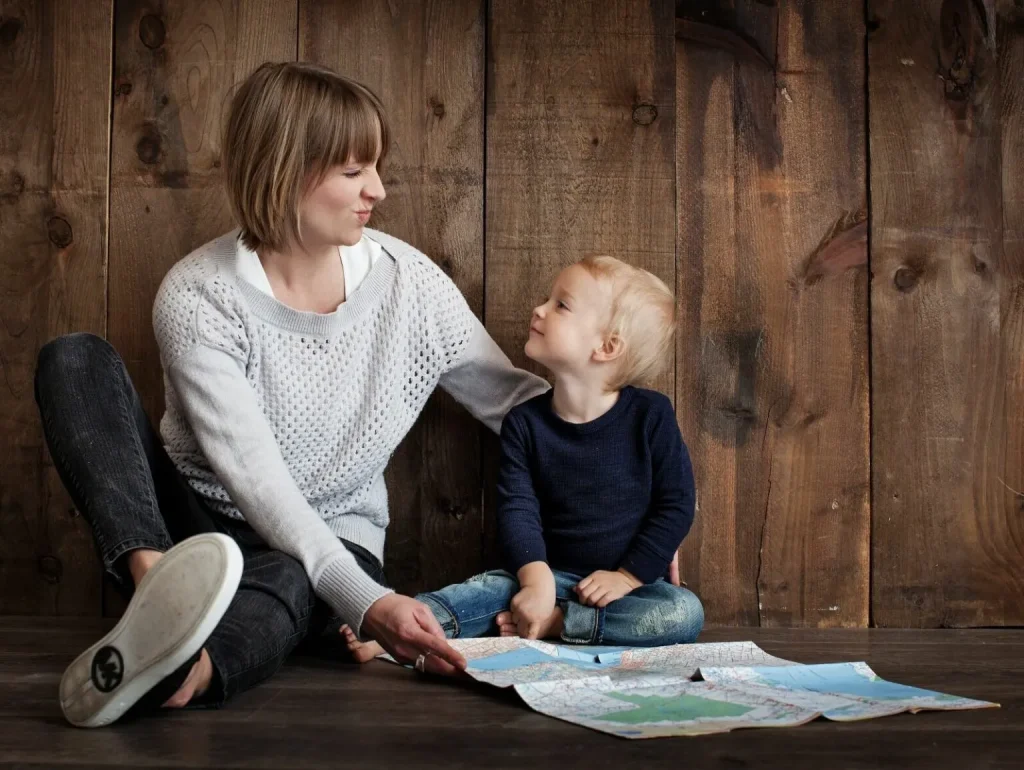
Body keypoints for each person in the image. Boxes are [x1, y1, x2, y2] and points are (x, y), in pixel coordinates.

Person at [33, 61, 549, 728]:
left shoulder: (410, 286)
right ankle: (158, 591)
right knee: (74, 359)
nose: (379, 190)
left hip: (330, 539)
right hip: (193, 528)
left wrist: (632, 481)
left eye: (375, 167)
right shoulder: (198, 296)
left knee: (290, 575)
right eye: (354, 171)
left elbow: (515, 404)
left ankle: (186, 669)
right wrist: (369, 606)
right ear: (287, 168)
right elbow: (257, 481)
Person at [344, 255, 702, 662]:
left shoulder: (650, 416)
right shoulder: (525, 424)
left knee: (683, 613)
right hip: (548, 574)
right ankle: (397, 630)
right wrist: (535, 581)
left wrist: (628, 576)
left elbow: (675, 504)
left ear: (607, 347)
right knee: (485, 591)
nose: (540, 309)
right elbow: (518, 508)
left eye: (560, 305)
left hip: (627, 590)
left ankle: (559, 625)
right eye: (548, 299)